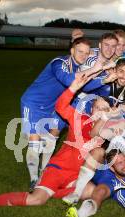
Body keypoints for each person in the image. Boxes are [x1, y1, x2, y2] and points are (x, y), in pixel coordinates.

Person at [0, 74, 109, 216]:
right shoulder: (79, 118)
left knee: (95, 192)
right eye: (97, 107)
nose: (100, 112)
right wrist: (73, 88)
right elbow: (60, 106)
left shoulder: (111, 129)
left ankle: (62, 196)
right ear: (92, 110)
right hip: (58, 169)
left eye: (104, 109)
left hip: (76, 177)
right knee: (37, 200)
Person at [20, 37, 106, 190]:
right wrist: (95, 69)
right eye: (80, 51)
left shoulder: (77, 70)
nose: (83, 55)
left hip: (52, 107)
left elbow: (83, 86)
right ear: (72, 50)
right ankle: (34, 180)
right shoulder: (59, 62)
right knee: (35, 142)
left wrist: (105, 80)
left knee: (51, 138)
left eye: (86, 53)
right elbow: (66, 80)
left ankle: (44, 173)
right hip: (32, 104)